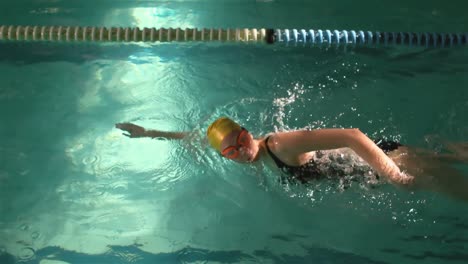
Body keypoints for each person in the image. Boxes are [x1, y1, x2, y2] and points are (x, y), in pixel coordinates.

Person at [115, 117, 468, 201]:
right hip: (366, 167)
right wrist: (149, 134)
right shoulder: (242, 153)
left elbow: (353, 137)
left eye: (242, 138)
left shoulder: (280, 144)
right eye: (231, 150)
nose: (242, 148)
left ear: (247, 132)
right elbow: (194, 137)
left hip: (382, 157)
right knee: (449, 166)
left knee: (457, 193)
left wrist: (393, 175)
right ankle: (456, 152)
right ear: (224, 156)